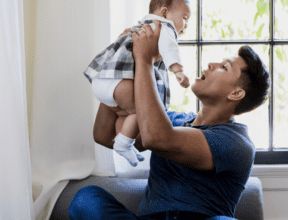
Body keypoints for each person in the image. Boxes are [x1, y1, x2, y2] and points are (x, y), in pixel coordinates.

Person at [69, 20, 270, 220]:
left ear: (236, 93)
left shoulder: (238, 143)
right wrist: (122, 61)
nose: (211, 64)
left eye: (224, 67)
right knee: (86, 198)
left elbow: (158, 138)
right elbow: (106, 135)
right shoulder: (171, 120)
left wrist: (144, 61)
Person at [84, 0, 191, 167]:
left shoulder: (139, 27)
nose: (186, 25)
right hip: (120, 85)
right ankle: (124, 143)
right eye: (185, 18)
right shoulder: (165, 27)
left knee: (126, 118)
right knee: (139, 111)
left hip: (103, 81)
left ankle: (125, 139)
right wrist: (178, 71)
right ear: (164, 13)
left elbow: (101, 136)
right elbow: (171, 51)